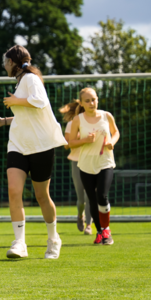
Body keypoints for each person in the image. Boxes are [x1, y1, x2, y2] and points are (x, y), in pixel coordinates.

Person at [0, 45, 66, 259]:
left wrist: (14, 101)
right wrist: (4, 121)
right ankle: (19, 243)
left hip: (40, 145)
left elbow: (40, 103)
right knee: (14, 190)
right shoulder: (21, 81)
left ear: (11, 62)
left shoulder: (30, 79)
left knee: (41, 196)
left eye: (5, 62)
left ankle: (53, 239)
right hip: (18, 145)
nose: (4, 66)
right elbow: (27, 115)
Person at [66, 88, 119, 245]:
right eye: (87, 101)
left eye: (94, 99)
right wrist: (84, 140)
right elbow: (70, 143)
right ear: (81, 103)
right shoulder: (78, 120)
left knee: (102, 195)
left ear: (97, 99)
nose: (91, 103)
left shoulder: (106, 115)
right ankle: (99, 231)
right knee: (92, 199)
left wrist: (112, 142)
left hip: (105, 162)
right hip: (86, 164)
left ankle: (106, 230)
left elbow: (116, 132)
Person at [59, 99, 93, 235]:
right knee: (81, 198)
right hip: (77, 161)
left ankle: (89, 225)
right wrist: (81, 138)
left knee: (90, 196)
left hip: (92, 161)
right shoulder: (71, 124)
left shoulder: (95, 123)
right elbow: (67, 145)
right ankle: (80, 216)